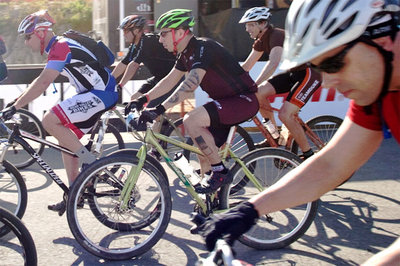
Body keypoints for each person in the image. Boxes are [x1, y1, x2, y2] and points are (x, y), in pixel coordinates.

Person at [200, 0, 400, 264]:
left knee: (287, 113)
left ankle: (302, 149)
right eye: (320, 67)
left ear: (384, 40)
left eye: (334, 63)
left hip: (297, 78)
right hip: (291, 76)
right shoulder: (377, 91)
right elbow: (330, 164)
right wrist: (249, 210)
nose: (327, 81)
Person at [126, 9, 259, 194]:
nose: (160, 39)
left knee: (191, 120)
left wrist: (159, 109)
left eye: (164, 34)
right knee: (202, 154)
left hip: (242, 100)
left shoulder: (203, 48)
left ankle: (221, 172)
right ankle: (210, 204)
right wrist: (143, 99)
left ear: (180, 32)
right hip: (226, 102)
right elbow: (169, 80)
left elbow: (190, 84)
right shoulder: (185, 54)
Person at [0, 10, 119, 215]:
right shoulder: (58, 47)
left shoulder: (60, 46)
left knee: (49, 121)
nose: (27, 43)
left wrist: (16, 106)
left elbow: (44, 81)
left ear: (40, 33)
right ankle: (75, 192)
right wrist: (16, 102)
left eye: (28, 37)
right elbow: (42, 80)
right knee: (64, 139)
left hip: (102, 93)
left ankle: (91, 165)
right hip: (95, 94)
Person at [239, 6, 321, 160]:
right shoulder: (261, 40)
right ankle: (274, 136)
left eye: (251, 25)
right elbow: (246, 67)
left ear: (263, 23)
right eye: (246, 25)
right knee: (258, 94)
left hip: (309, 73)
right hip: (293, 72)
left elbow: (273, 63)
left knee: (285, 114)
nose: (247, 29)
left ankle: (307, 154)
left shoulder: (276, 35)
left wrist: (254, 83)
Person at [111, 15, 178, 111]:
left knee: (150, 109)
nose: (123, 34)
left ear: (137, 31)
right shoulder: (135, 46)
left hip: (171, 79)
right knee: (134, 98)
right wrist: (109, 81)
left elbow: (134, 65)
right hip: (158, 78)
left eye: (126, 31)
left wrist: (120, 85)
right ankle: (152, 124)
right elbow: (123, 64)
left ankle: (159, 124)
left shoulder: (147, 41)